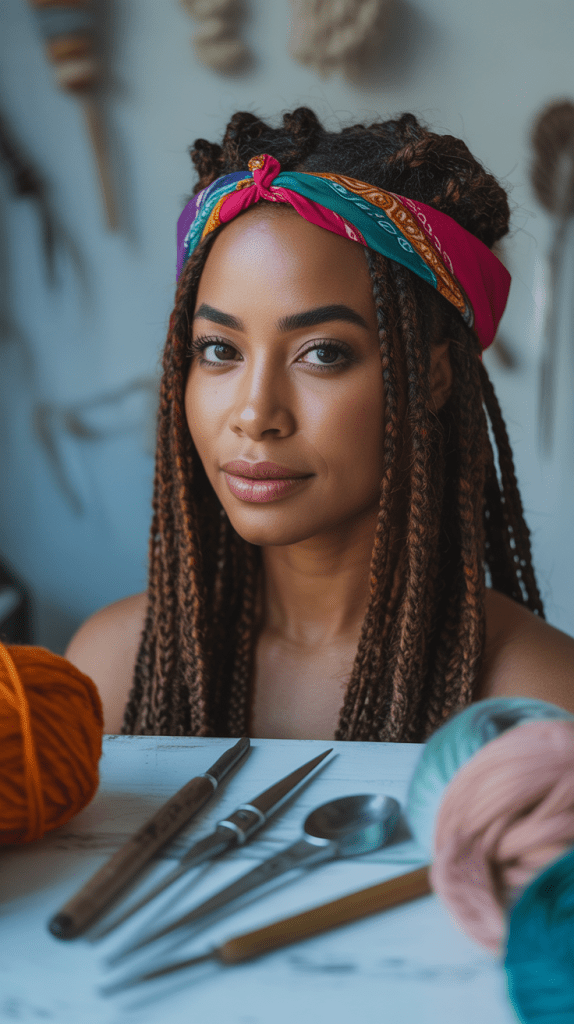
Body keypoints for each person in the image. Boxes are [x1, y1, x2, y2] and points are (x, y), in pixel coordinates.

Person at [65, 108, 574, 740]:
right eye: (219, 349)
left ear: (435, 376)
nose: (255, 415)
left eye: (323, 354)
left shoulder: (541, 707)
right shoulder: (112, 670)